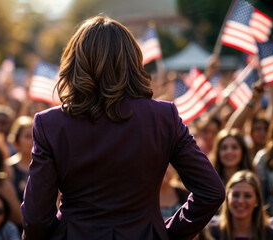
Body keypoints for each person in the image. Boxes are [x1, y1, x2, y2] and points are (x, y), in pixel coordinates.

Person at [21, 15, 225, 240]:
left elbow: (36, 218)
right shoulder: (163, 117)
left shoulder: (51, 123)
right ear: (133, 61)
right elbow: (211, 192)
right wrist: (164, 234)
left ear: (75, 62)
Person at [209, 170, 273, 240]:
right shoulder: (210, 233)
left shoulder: (271, 236)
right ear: (227, 198)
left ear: (257, 201)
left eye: (247, 196)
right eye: (236, 195)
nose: (240, 201)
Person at [6, 115, 33, 201]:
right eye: (28, 136)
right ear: (16, 141)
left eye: (36, 135)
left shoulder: (47, 167)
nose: (33, 140)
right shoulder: (8, 168)